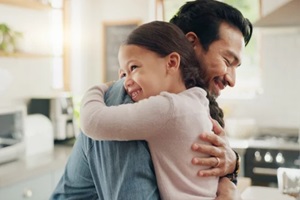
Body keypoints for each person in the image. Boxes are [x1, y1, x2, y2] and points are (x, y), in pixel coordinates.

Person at [51, 0, 252, 199]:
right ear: (191, 44)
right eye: (227, 61)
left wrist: (231, 168)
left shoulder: (194, 103)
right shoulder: (129, 97)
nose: (232, 80)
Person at [80, 20, 224, 199]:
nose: (125, 83)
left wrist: (99, 89)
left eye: (134, 67)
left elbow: (93, 122)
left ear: (171, 62)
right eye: (123, 75)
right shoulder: (197, 100)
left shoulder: (168, 109)